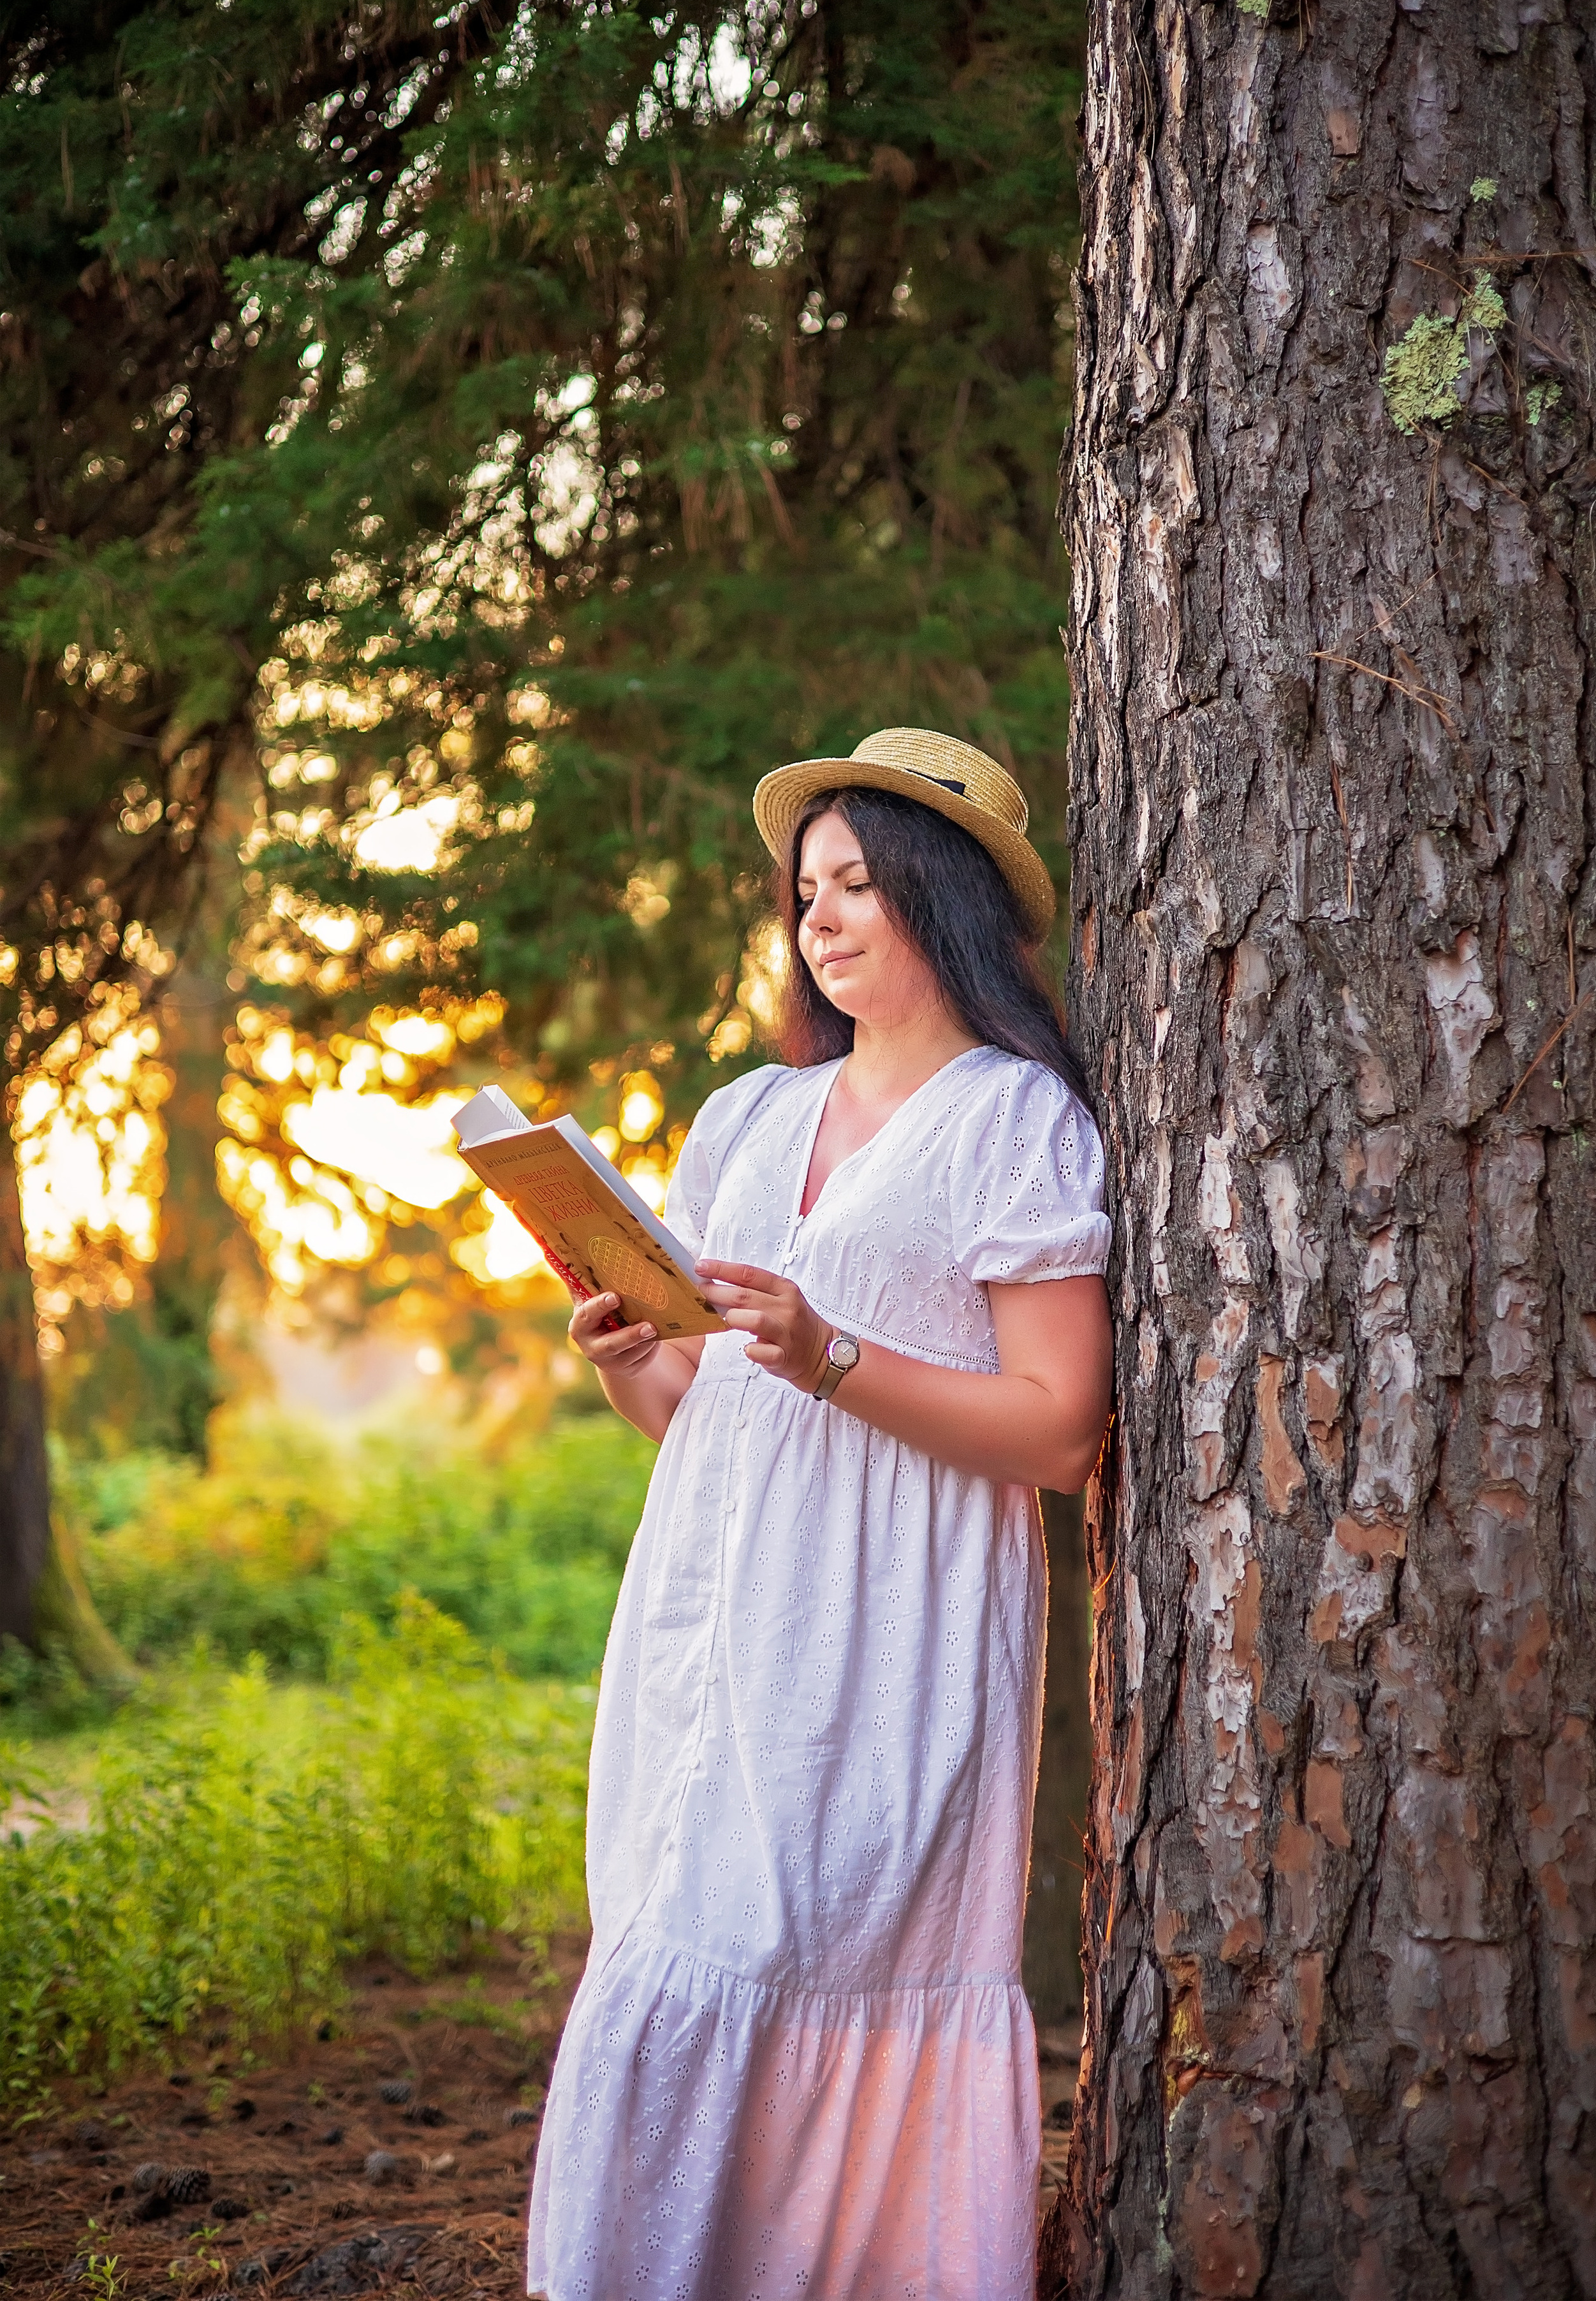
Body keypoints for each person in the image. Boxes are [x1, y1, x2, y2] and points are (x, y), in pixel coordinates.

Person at [527, 727, 1114, 2301]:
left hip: (889, 1626)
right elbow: (702, 1420)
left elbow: (1061, 1431)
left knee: (781, 1952)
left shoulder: (1014, 1122)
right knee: (669, 1939)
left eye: (859, 884)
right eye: (806, 893)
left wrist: (827, 1348)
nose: (824, 920)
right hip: (713, 1614)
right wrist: (628, 1359)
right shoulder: (743, 1120)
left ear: (946, 899)